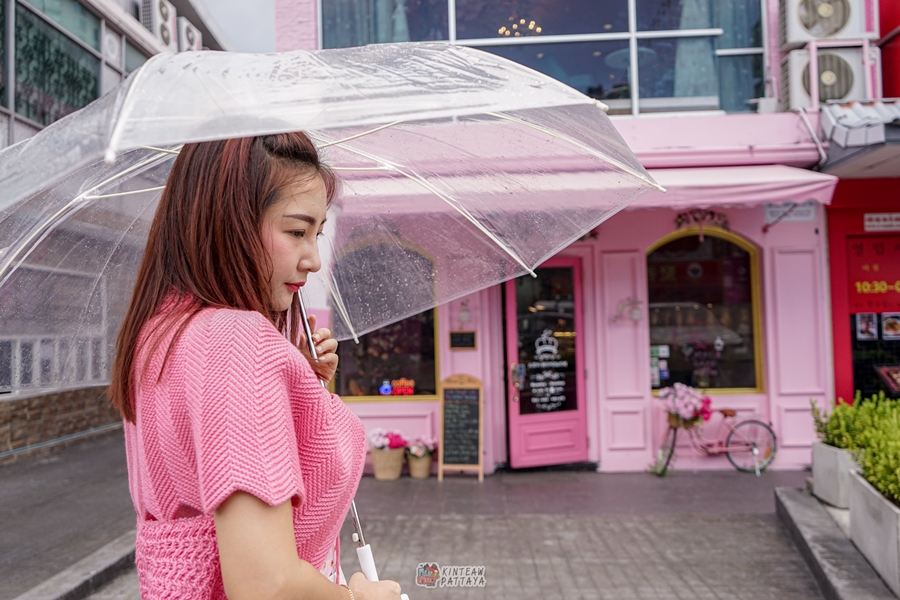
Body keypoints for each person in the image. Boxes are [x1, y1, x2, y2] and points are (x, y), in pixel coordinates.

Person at [109, 133, 403, 600]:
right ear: (231, 224)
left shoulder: (159, 334)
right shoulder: (237, 342)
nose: (313, 260)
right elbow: (266, 584)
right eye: (296, 232)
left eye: (317, 234)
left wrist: (298, 391)